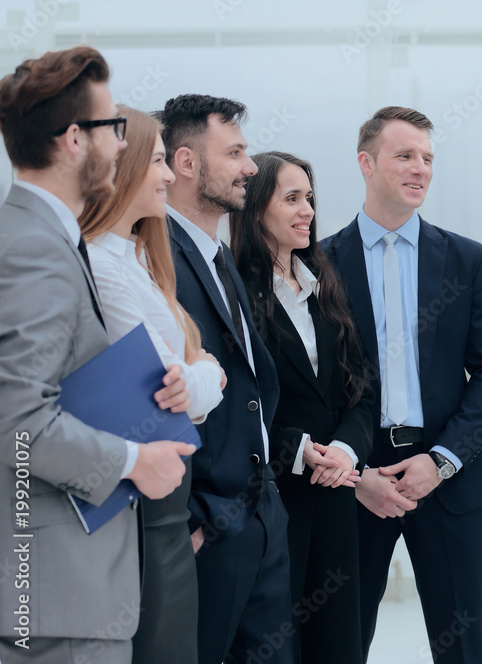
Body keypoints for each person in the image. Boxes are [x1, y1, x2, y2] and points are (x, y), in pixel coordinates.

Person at [0, 46, 194, 664]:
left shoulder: (43, 238)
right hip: (57, 594)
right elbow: (19, 424)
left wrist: (147, 389)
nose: (122, 143)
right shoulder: (34, 248)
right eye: (113, 127)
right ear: (73, 140)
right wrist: (136, 460)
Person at [320, 106, 482, 663]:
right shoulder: (322, 263)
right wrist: (355, 475)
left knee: (462, 648)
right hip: (355, 480)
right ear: (366, 163)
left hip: (446, 478)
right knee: (340, 643)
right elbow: (315, 385)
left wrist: (444, 458)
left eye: (427, 158)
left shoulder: (467, 259)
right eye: (404, 155)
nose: (419, 168)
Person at [78, 105, 227, 664]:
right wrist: (207, 372)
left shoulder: (137, 260)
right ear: (125, 165)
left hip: (168, 495)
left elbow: (193, 384)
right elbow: (174, 384)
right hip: (143, 498)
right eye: (160, 161)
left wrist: (202, 376)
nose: (168, 176)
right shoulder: (101, 266)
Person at [158, 94, 293, 664]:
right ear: (187, 163)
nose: (250, 167)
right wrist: (190, 519)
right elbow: (155, 391)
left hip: (260, 514)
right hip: (207, 524)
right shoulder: (155, 257)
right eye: (234, 152)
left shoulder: (220, 256)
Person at [230, 150, 375, 664]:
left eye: (309, 198)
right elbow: (235, 403)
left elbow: (361, 386)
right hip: (274, 497)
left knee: (338, 644)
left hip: (335, 493)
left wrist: (345, 449)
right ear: (253, 209)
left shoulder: (324, 284)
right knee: (275, 645)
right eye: (291, 198)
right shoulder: (235, 293)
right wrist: (299, 450)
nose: (307, 210)